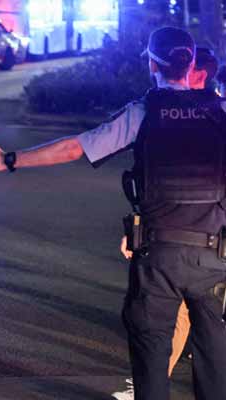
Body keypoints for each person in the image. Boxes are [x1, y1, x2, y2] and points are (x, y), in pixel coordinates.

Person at [0, 27, 226, 400]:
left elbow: (75, 148)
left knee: (151, 355)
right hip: (213, 256)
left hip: (158, 257)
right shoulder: (220, 113)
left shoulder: (143, 113)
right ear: (193, 63)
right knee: (214, 356)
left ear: (152, 64)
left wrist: (10, 160)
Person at [110, 45, 220, 400]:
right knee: (200, 340)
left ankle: (151, 383)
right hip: (201, 251)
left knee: (167, 333)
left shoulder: (194, 115)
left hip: (183, 251)